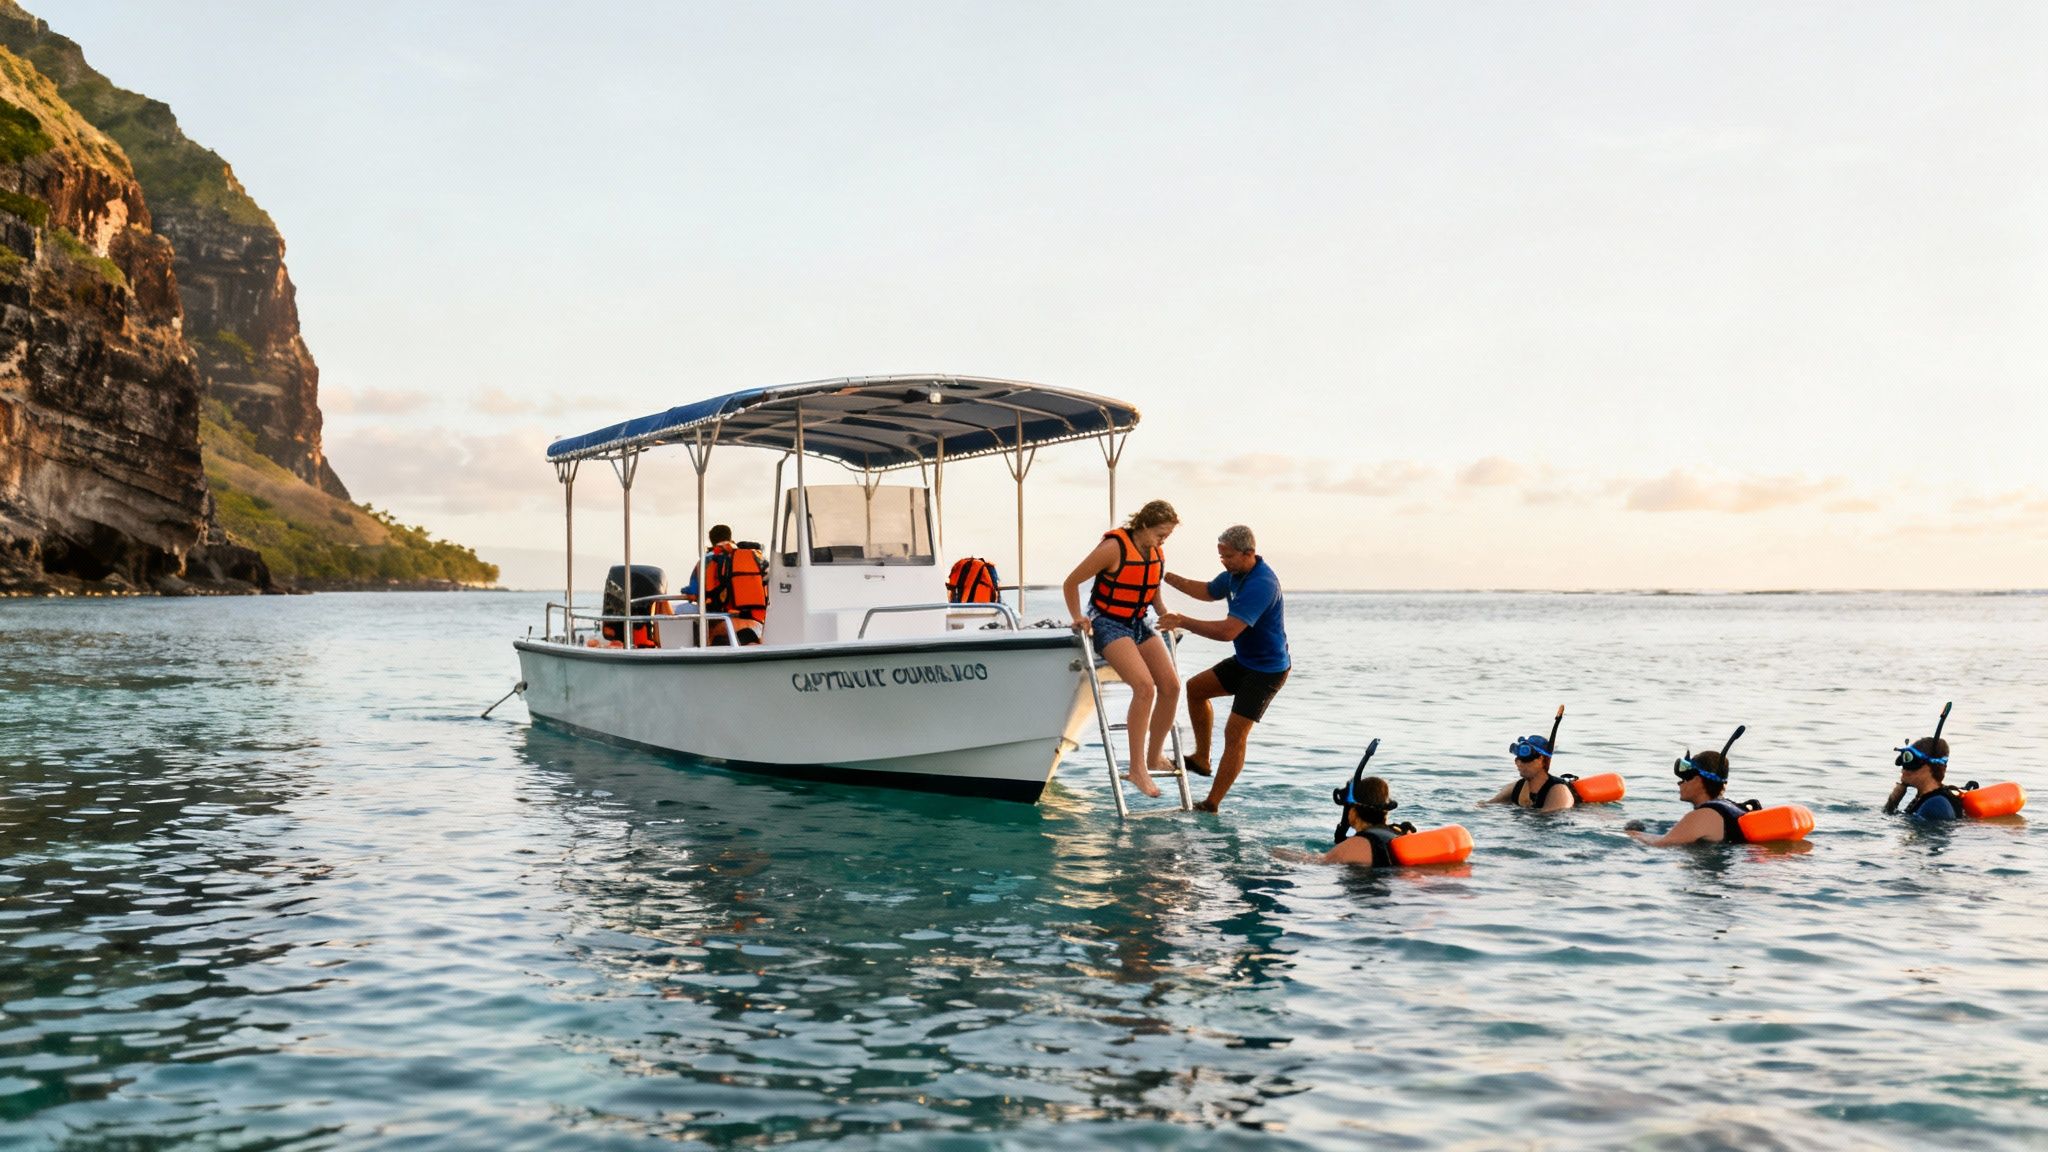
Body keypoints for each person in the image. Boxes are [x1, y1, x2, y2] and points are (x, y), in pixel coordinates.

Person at [1157, 524, 1289, 813]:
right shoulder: (1234, 574)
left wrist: (1182, 621)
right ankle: (1202, 759)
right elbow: (1206, 591)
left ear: (1249, 553)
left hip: (1267, 670)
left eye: (1228, 557)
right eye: (1221, 557)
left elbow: (1228, 631)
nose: (1224, 562)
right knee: (1195, 688)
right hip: (1245, 661)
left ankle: (1212, 803)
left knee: (1234, 733)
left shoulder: (1261, 584)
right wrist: (1164, 575)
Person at [1062, 499, 1181, 799]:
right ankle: (1137, 769)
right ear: (1143, 526)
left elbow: (1151, 587)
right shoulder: (1114, 548)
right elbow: (1071, 582)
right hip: (1108, 622)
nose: (1163, 540)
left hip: (1138, 621)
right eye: (1160, 534)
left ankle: (1155, 756)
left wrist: (1165, 612)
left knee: (1171, 686)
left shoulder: (1154, 551)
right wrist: (1078, 616)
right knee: (1145, 687)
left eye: (1167, 536)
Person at [1626, 749, 1749, 846]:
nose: (1680, 783)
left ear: (1699, 780)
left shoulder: (1704, 815)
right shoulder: (1731, 807)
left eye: (1686, 778)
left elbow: (1660, 844)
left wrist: (1632, 833)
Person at [681, 525, 768, 646]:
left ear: (711, 540)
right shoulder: (754, 557)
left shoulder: (706, 560)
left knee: (684, 610)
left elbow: (692, 595)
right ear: (730, 536)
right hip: (757, 621)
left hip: (722, 622)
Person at [1323, 775, 1417, 866]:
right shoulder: (1400, 834)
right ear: (1386, 811)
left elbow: (1316, 862)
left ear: (1353, 812)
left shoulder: (1348, 849)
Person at [1483, 734, 1575, 811]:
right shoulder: (1515, 788)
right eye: (1517, 759)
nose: (1518, 763)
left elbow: (1548, 824)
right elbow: (1486, 805)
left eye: (1525, 759)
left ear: (1541, 759)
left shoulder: (1559, 791)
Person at [1885, 737, 1961, 821]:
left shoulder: (1935, 805)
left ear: (1929, 767)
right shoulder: (1925, 798)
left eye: (1911, 762)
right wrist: (1894, 799)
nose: (1903, 768)